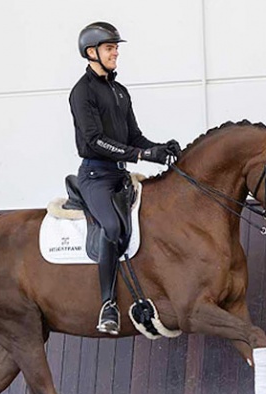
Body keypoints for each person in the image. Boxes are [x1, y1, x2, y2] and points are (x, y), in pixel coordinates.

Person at [69, 21, 181, 335]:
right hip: (96, 177)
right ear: (92, 53)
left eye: (116, 47)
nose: (116, 52)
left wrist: (158, 148)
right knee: (113, 227)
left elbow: (134, 136)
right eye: (110, 47)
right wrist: (141, 156)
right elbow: (94, 141)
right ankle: (108, 304)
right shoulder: (82, 92)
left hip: (120, 176)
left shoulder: (120, 91)